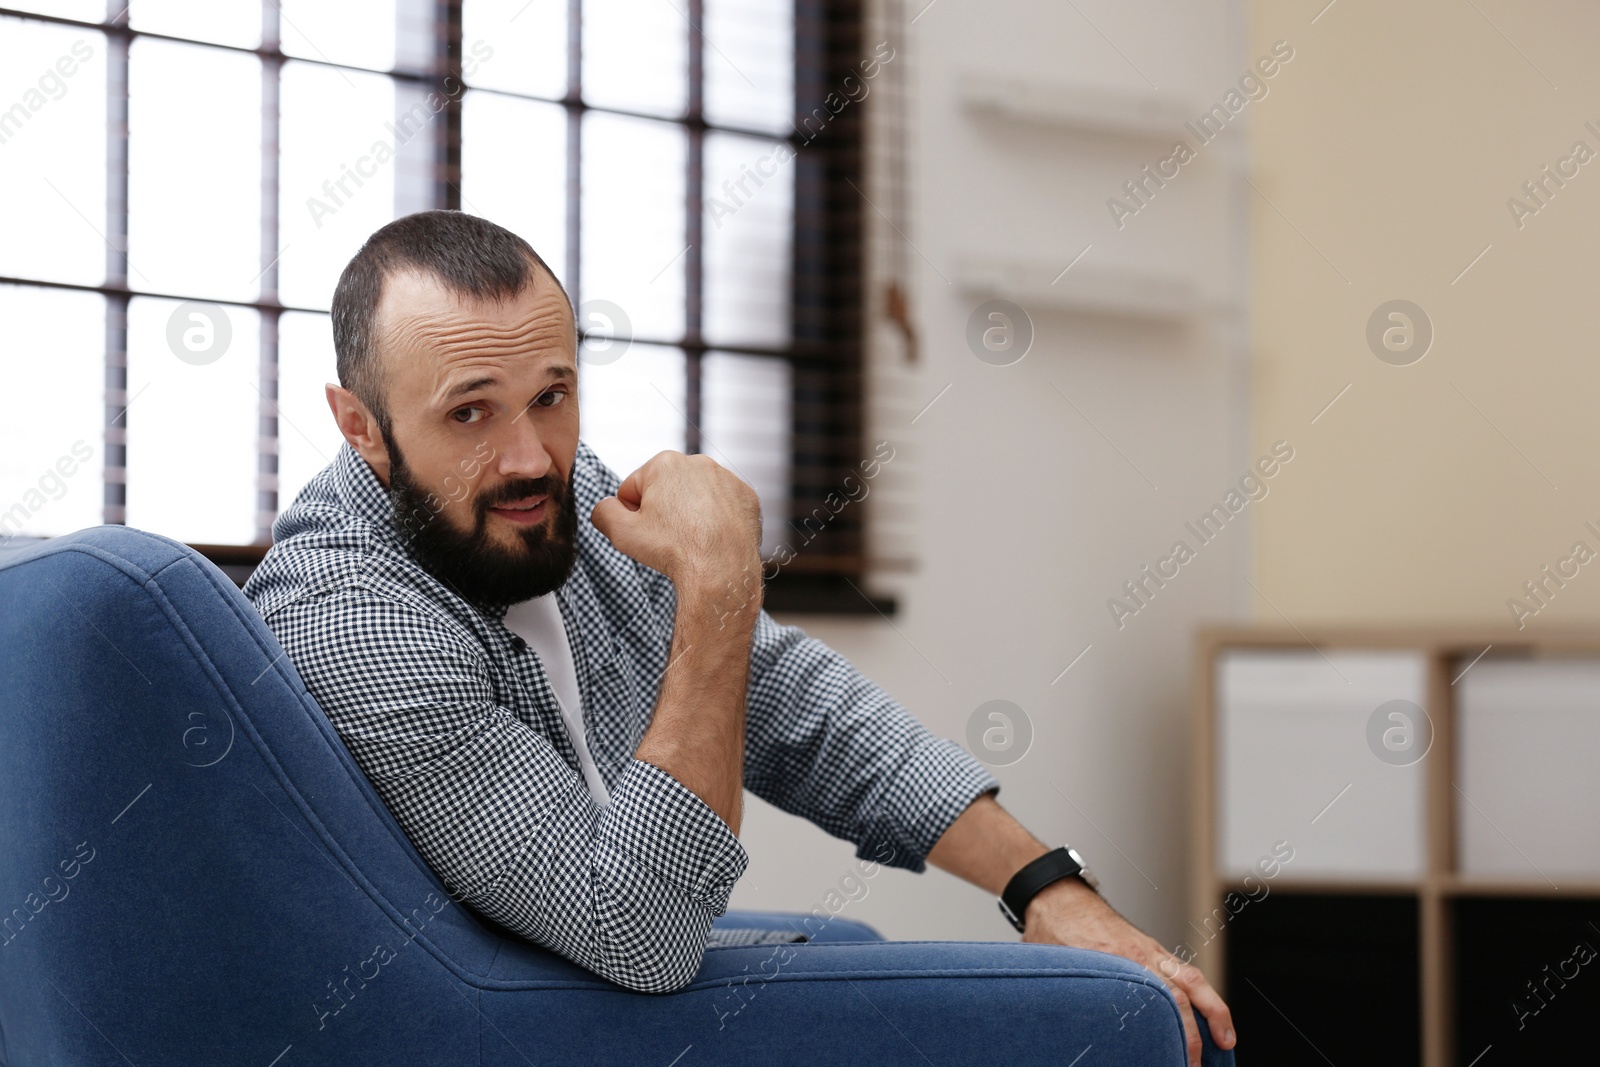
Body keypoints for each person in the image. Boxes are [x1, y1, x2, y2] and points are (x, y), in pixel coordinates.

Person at [243, 210, 1235, 1065]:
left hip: (590, 971)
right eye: (469, 412)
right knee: (1119, 1018)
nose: (530, 456)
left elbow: (791, 702)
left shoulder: (553, 493)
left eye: (551, 394)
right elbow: (635, 932)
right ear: (359, 426)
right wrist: (716, 584)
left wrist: (1044, 885)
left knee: (893, 944)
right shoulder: (349, 616)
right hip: (514, 1023)